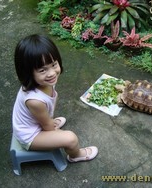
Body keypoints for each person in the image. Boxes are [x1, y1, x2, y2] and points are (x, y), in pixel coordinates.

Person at [12, 34, 98, 162]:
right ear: (27, 72)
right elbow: (48, 127)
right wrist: (51, 128)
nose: (51, 73)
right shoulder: (35, 101)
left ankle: (48, 122)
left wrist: (49, 122)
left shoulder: (44, 82)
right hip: (30, 137)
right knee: (71, 138)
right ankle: (76, 155)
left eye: (54, 64)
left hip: (34, 123)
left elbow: (50, 102)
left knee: (52, 124)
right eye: (42, 70)